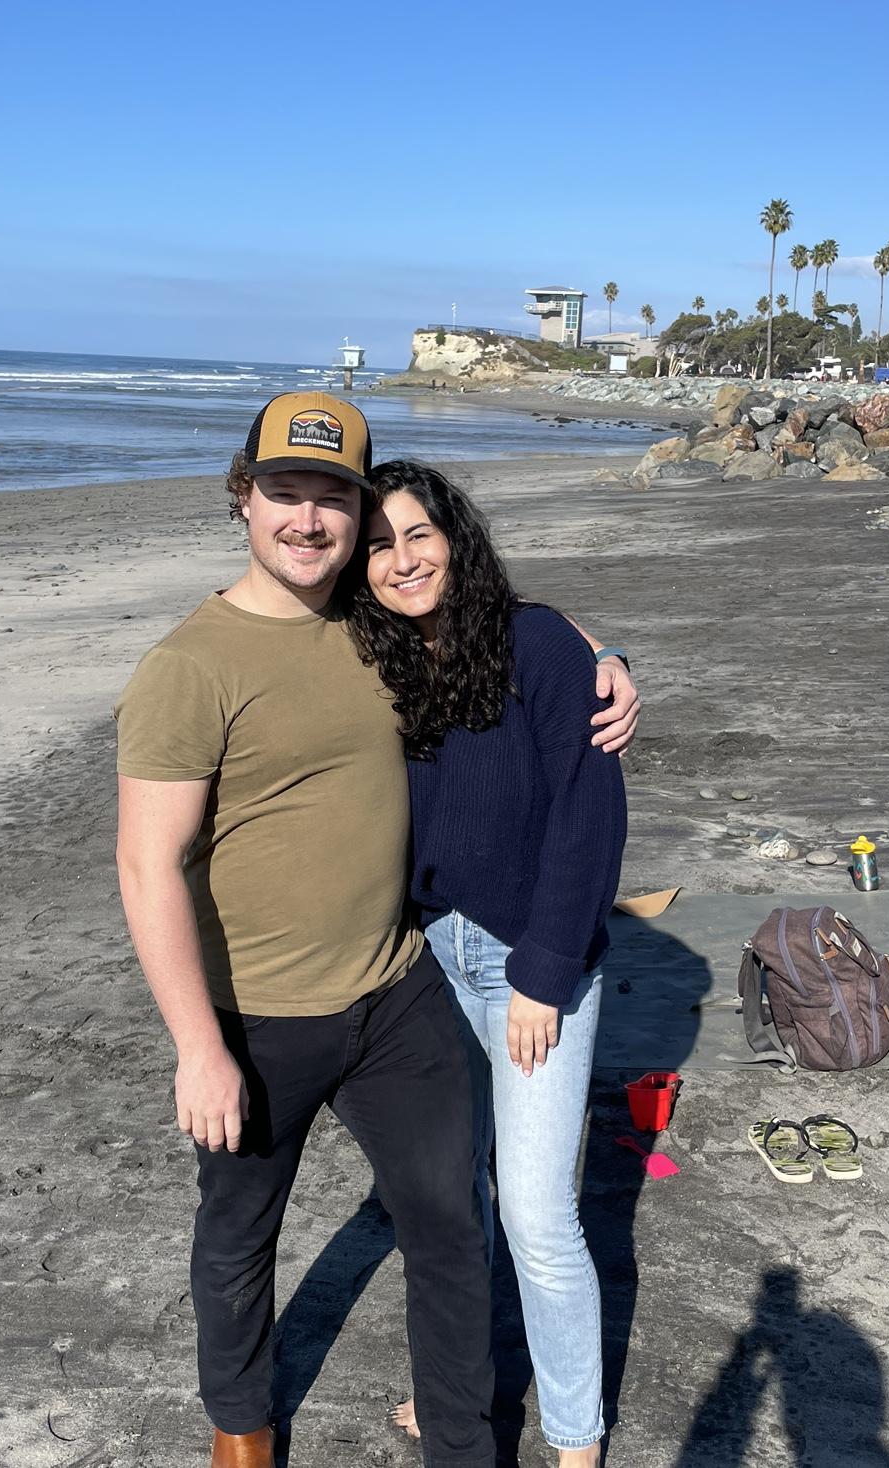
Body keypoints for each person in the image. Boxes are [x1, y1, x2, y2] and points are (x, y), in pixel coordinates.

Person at [114, 392, 638, 1468]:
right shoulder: (196, 665)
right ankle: (242, 1434)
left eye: (332, 500)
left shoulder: (369, 630)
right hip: (264, 1009)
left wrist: (606, 652)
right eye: (285, 492)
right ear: (243, 498)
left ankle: (476, 1440)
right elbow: (144, 863)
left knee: (461, 1224)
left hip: (401, 989)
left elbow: (503, 622)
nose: (309, 520)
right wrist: (198, 1048)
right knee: (239, 1236)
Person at [346, 461, 626, 1467]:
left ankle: (575, 1439)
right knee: (450, 1196)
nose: (402, 560)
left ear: (454, 538)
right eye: (379, 545)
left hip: (530, 956)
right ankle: (459, 1391)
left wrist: (544, 975)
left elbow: (589, 818)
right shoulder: (368, 657)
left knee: (536, 1212)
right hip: (423, 955)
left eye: (418, 534)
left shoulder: (534, 645)